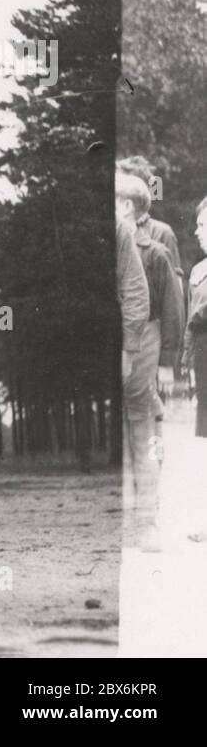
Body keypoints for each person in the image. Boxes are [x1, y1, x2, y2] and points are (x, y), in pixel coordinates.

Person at [116, 172, 183, 552]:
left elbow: (171, 309)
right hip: (132, 345)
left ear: (127, 207)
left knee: (144, 435)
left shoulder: (155, 249)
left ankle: (149, 520)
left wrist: (167, 365)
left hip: (147, 343)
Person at [183, 195, 207, 543]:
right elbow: (190, 322)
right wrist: (187, 364)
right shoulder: (198, 272)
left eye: (203, 224)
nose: (196, 231)